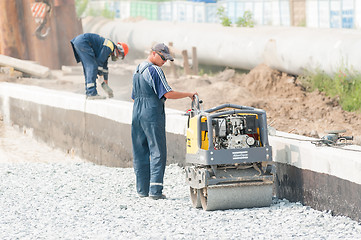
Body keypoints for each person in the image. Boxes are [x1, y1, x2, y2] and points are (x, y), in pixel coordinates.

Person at [131, 43, 198, 200]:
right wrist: (188, 94)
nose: (164, 62)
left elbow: (133, 96)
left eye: (167, 60)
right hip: (151, 113)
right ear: (154, 54)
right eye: (163, 58)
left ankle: (142, 190)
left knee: (140, 151)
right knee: (157, 151)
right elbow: (167, 93)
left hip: (136, 112)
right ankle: (155, 191)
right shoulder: (155, 70)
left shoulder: (138, 69)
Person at [70, 33, 129, 99]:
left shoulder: (109, 49)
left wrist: (105, 81)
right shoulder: (109, 46)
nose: (118, 57)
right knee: (92, 66)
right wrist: (101, 79)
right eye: (120, 55)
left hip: (79, 41)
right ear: (119, 50)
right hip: (83, 42)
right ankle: (92, 93)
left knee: (88, 67)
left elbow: (104, 66)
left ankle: (88, 91)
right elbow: (99, 62)